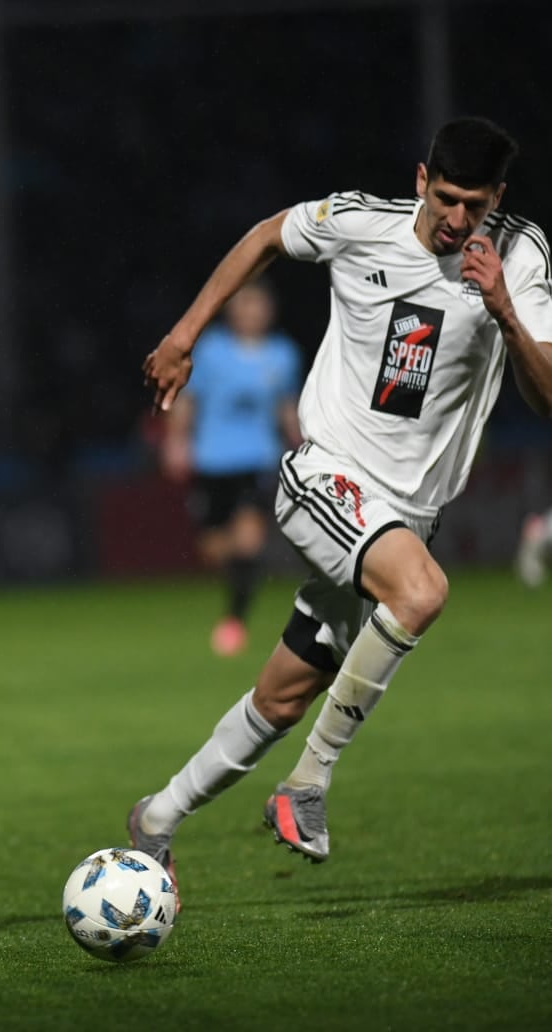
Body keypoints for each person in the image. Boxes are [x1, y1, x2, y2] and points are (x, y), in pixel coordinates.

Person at [131, 117, 552, 888]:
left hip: (405, 514)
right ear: (422, 180)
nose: (459, 220)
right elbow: (265, 235)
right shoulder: (363, 225)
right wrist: (186, 333)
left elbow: (548, 392)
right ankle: (306, 784)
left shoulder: (519, 257)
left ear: (499, 198)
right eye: (448, 198)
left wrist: (505, 313)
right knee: (422, 591)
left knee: (284, 697)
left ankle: (156, 818)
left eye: (477, 205)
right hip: (324, 475)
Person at [159, 281, 302, 656]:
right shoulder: (211, 351)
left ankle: (234, 620)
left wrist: (301, 444)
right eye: (245, 306)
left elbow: (287, 406)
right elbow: (188, 401)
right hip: (212, 460)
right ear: (232, 311)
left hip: (258, 459)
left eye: (259, 306)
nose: (252, 313)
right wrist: (177, 442)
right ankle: (239, 590)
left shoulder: (282, 354)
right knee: (214, 549)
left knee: (250, 539)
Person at [515, 505, 552, 586]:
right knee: (530, 550)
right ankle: (533, 576)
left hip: (543, 531)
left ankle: (533, 577)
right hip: (542, 531)